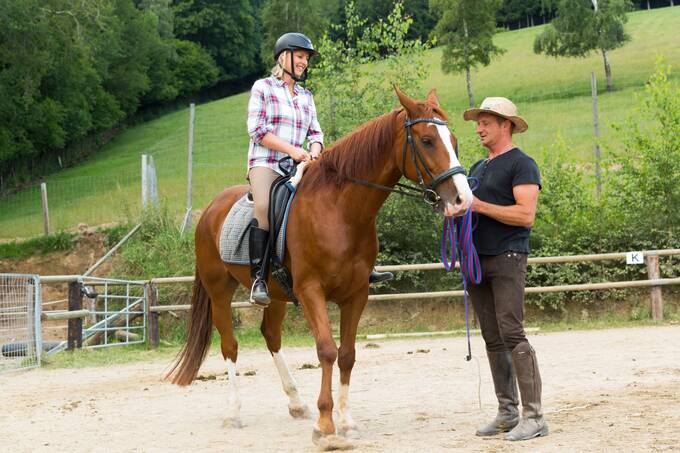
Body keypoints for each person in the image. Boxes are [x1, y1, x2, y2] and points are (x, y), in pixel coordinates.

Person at [246, 33, 391, 308]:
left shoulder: (305, 96)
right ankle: (258, 279)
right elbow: (257, 130)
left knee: (343, 199)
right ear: (283, 56)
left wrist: (314, 151)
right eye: (300, 56)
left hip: (300, 166)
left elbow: (316, 133)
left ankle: (363, 265)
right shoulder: (263, 88)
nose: (304, 62)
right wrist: (292, 150)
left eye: (306, 58)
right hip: (266, 164)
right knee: (264, 206)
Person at [463, 97, 548, 441]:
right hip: (477, 258)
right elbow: (467, 206)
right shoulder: (476, 168)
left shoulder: (522, 164)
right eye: (478, 123)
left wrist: (478, 205)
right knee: (491, 334)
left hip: (508, 256)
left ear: (505, 125)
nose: (480, 129)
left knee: (511, 331)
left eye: (486, 122)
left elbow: (525, 215)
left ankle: (534, 415)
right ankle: (507, 411)